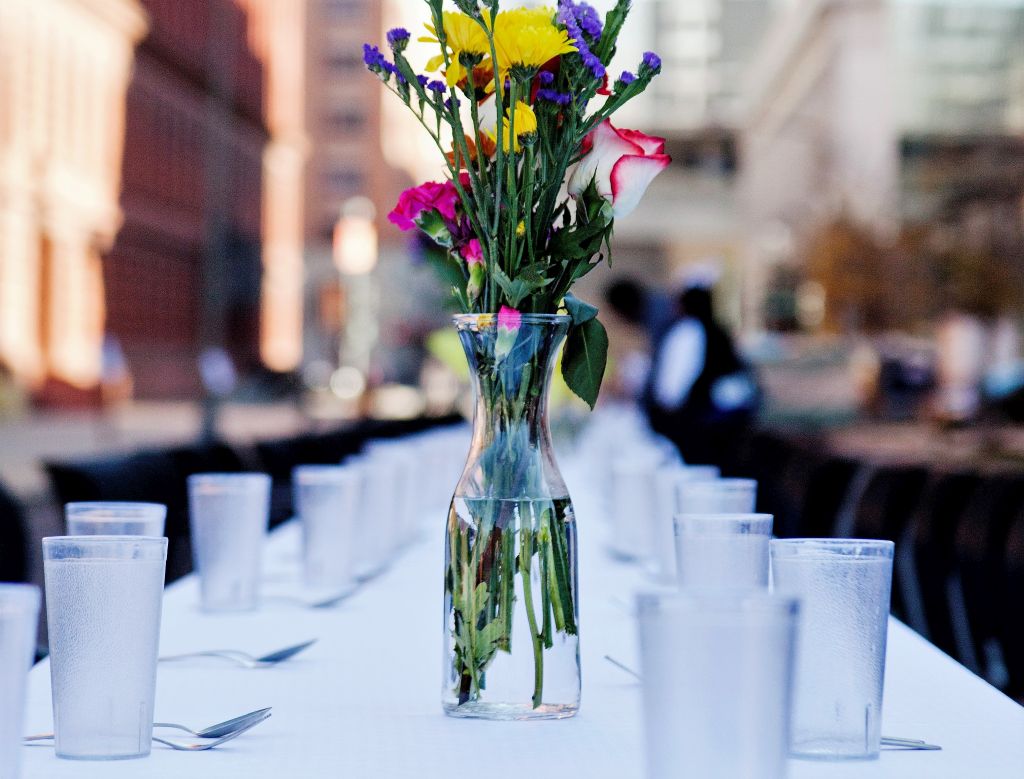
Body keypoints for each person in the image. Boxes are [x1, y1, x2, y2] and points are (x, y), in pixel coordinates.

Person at [643, 273, 759, 465]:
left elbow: (673, 388)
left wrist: (664, 414)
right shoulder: (718, 330)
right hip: (723, 420)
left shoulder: (687, 331)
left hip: (697, 421)